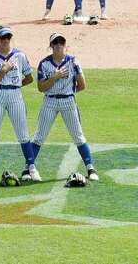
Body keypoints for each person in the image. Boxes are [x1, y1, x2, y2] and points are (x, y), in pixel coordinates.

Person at [30, 32, 98, 182]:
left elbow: (82, 85)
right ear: (51, 46)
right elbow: (41, 88)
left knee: (78, 136)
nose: (59, 45)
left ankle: (90, 168)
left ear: (65, 45)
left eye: (61, 42)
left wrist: (68, 93)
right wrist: (54, 77)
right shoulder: (44, 64)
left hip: (68, 102)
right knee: (39, 136)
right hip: (50, 101)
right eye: (56, 42)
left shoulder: (73, 62)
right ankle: (28, 167)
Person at [0, 24, 38, 182]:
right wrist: (3, 71)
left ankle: (32, 167)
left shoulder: (20, 55)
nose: (6, 40)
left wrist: (16, 84)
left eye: (8, 37)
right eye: (3, 37)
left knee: (23, 134)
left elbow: (29, 78)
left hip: (15, 96)